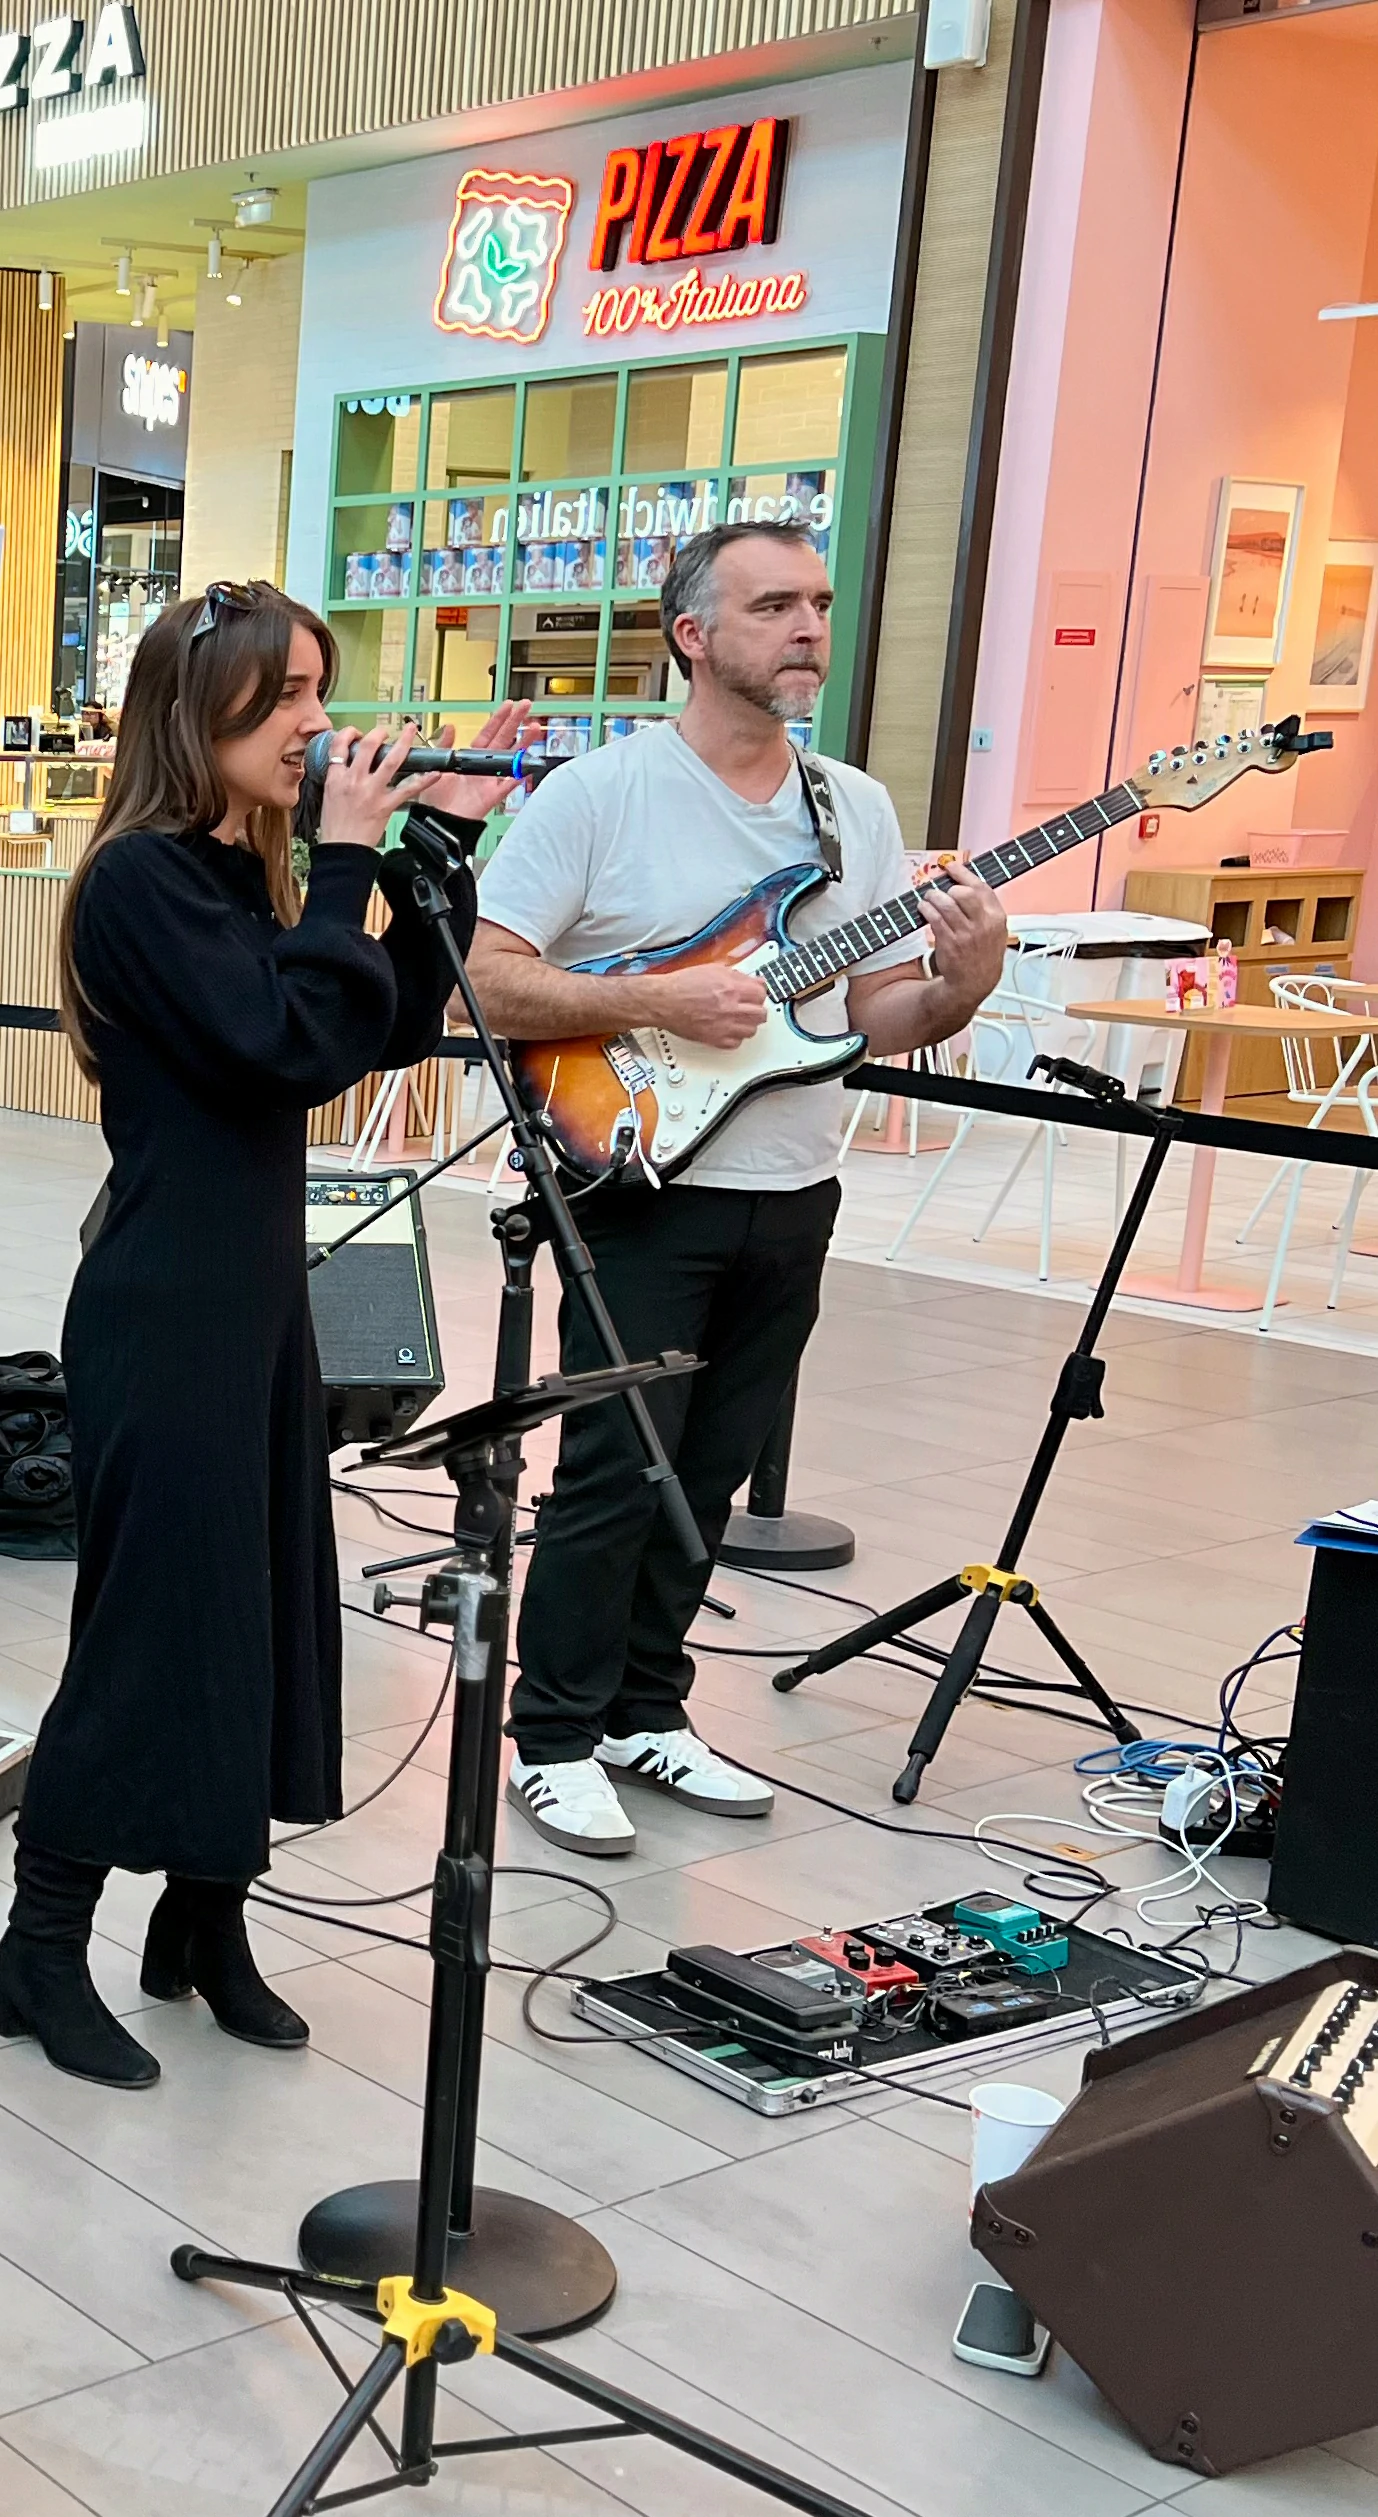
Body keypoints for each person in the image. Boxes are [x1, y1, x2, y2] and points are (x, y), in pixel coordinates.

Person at [0, 584, 530, 2087]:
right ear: (197, 709)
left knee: (263, 1615)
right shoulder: (137, 884)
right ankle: (38, 1949)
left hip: (256, 1307)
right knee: (153, 1633)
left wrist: (432, 857)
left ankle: (202, 1921)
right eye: (282, 695)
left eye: (316, 691)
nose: (312, 723)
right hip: (165, 1310)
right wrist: (344, 865)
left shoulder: (243, 882)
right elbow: (281, 1045)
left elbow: (377, 1027)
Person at [467, 520, 1005, 1859]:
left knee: (704, 1471)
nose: (808, 629)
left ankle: (648, 1710)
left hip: (792, 1180)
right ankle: (550, 1735)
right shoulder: (600, 795)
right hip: (639, 1170)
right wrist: (655, 998)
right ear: (692, 635)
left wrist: (965, 977)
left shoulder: (852, 809)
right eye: (773, 606)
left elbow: (871, 1010)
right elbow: (481, 977)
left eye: (819, 603)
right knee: (610, 1468)